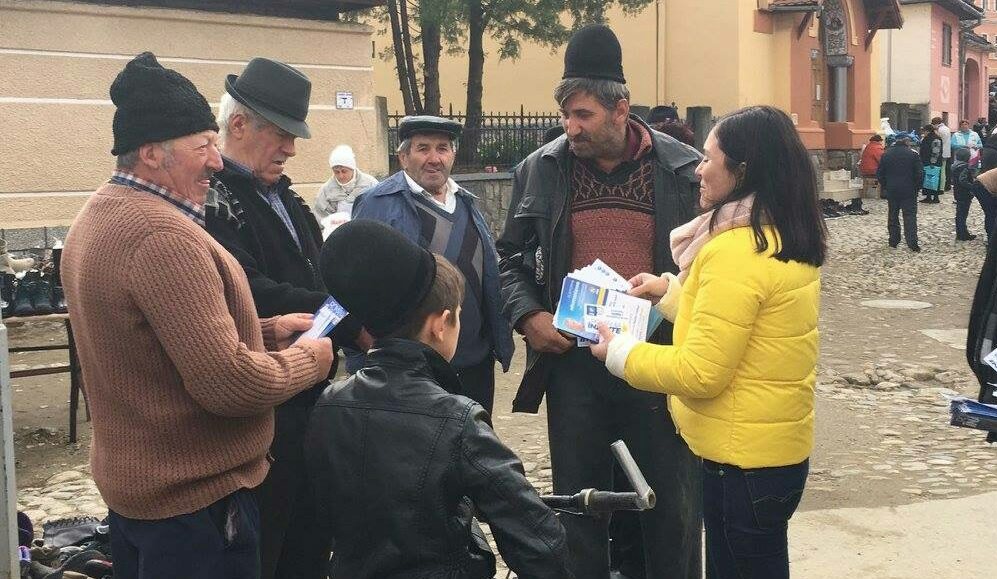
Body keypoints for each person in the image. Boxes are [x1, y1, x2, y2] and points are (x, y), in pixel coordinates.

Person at [61, 52, 333, 578]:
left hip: (148, 497)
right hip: (196, 509)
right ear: (151, 154)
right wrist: (311, 360)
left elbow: (156, 344)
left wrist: (267, 331)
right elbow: (230, 385)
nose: (216, 161)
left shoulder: (99, 213)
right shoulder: (163, 237)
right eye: (203, 146)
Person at [497, 24, 702, 579]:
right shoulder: (541, 169)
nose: (571, 128)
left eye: (583, 115)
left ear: (621, 110)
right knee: (580, 507)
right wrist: (528, 315)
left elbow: (706, 265)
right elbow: (508, 257)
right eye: (566, 115)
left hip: (658, 363)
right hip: (575, 368)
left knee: (670, 509)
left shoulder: (683, 170)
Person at [589, 105, 825, 579]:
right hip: (773, 453)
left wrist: (620, 353)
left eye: (709, 158)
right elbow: (740, 328)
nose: (698, 169)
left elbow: (701, 372)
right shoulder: (779, 232)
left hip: (741, 464)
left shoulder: (735, 251)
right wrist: (670, 293)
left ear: (742, 171)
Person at [305, 218, 571, 579]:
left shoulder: (329, 404)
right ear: (441, 324)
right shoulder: (458, 419)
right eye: (459, 316)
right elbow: (538, 539)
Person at [204, 57, 363, 579]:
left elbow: (324, 276)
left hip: (309, 398)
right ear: (239, 124)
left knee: (311, 544)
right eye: (282, 134)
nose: (291, 148)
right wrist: (344, 317)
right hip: (262, 410)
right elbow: (247, 289)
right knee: (266, 551)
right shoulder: (213, 200)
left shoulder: (285, 197)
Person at [352, 115, 514, 414]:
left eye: (442, 148)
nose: (434, 158)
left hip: (475, 361)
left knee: (475, 437)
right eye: (423, 148)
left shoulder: (466, 202)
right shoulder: (377, 203)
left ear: (452, 155)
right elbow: (358, 282)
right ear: (403, 157)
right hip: (414, 370)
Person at [314, 143, 379, 234]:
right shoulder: (326, 191)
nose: (341, 176)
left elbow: (379, 211)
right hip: (338, 235)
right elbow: (321, 220)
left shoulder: (370, 184)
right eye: (336, 172)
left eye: (344, 171)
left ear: (352, 169)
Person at [877, 132, 924, 251]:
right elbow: (919, 173)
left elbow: (880, 173)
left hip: (892, 189)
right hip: (909, 189)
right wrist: (917, 187)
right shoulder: (913, 154)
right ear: (906, 141)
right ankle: (912, 242)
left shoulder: (886, 154)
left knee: (893, 215)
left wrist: (886, 185)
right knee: (909, 216)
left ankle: (893, 240)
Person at [952, 148, 979, 241]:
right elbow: (963, 180)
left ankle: (960, 233)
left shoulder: (954, 166)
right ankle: (963, 234)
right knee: (963, 215)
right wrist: (972, 187)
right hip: (964, 194)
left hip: (957, 193)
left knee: (959, 214)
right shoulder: (965, 167)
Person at [971, 166, 997, 244]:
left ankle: (991, 237)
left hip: (983, 185)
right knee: (991, 213)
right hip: (981, 186)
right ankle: (991, 239)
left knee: (992, 213)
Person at [920, 124, 944, 203]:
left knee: (934, 179)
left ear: (928, 131)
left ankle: (935, 197)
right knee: (928, 179)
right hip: (927, 162)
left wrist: (932, 162)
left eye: (924, 131)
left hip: (933, 163)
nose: (923, 133)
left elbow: (936, 152)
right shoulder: (927, 138)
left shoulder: (935, 139)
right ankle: (928, 196)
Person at [932, 117, 952, 190]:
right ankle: (945, 185)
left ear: (936, 123)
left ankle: (941, 186)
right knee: (945, 169)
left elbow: (937, 140)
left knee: (941, 170)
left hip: (941, 152)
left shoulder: (939, 130)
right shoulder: (947, 128)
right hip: (947, 151)